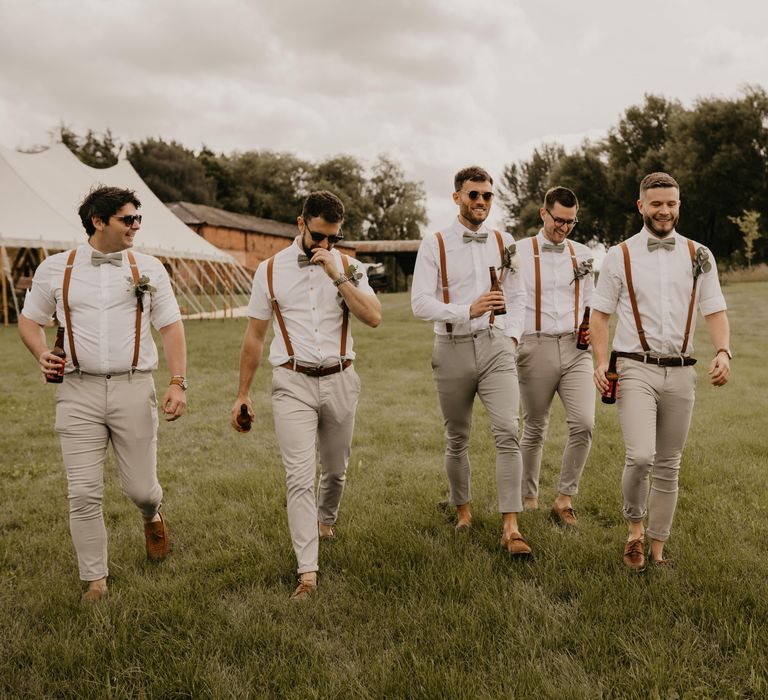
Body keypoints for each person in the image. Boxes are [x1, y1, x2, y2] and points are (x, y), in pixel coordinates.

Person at [18, 186, 187, 602]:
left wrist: (177, 381)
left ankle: (152, 514)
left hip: (133, 386)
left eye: (138, 219)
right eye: (128, 219)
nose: (136, 226)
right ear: (98, 221)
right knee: (82, 491)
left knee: (141, 489)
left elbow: (170, 327)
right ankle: (95, 579)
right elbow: (29, 321)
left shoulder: (149, 268)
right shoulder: (56, 269)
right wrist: (41, 353)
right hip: (77, 391)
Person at [231, 190, 381, 600]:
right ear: (301, 225)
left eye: (334, 237)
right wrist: (243, 393)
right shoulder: (270, 270)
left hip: (341, 378)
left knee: (335, 470)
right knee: (299, 478)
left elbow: (373, 318)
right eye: (319, 237)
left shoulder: (349, 267)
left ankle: (326, 521)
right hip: (292, 381)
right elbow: (255, 335)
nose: (327, 245)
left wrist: (337, 273)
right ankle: (307, 573)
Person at [591, 172, 730, 571]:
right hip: (635, 367)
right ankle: (634, 531)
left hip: (682, 371)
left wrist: (723, 351)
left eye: (671, 203)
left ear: (679, 206)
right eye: (656, 204)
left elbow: (714, 307)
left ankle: (657, 548)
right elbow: (599, 317)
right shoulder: (619, 255)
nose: (664, 210)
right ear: (641, 206)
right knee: (640, 456)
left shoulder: (699, 254)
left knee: (670, 463)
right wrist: (602, 361)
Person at [411, 166, 531, 556]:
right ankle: (463, 511)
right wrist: (468, 309)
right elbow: (420, 303)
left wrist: (512, 337)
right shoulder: (435, 244)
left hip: (497, 346)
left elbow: (518, 295)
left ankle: (511, 527)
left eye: (487, 196)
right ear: (457, 197)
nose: (481, 202)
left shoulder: (504, 240)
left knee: (508, 431)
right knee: (457, 436)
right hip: (452, 347)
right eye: (473, 195)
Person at [515, 186, 595, 526]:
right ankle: (528, 498)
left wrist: (591, 327)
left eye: (571, 222)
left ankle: (564, 499)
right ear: (543, 213)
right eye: (559, 220)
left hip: (578, 350)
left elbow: (592, 299)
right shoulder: (517, 252)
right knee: (535, 426)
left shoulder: (584, 255)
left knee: (584, 424)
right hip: (535, 346)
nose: (564, 227)